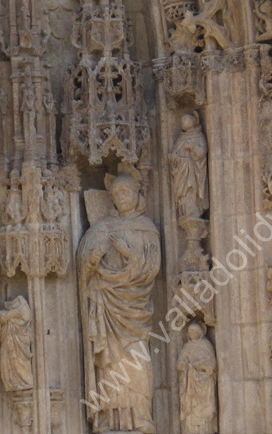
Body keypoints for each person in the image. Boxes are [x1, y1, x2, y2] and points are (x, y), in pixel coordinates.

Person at [78, 167, 161, 433]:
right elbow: (83, 268)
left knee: (138, 362)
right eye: (117, 192)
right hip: (107, 310)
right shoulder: (101, 228)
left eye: (127, 191)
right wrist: (94, 258)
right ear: (111, 197)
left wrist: (128, 255)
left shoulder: (147, 229)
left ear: (138, 194)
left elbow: (151, 269)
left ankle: (141, 418)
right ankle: (108, 420)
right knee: (108, 364)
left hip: (134, 312)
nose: (122, 196)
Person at [178, 322, 217, 434]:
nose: (192, 333)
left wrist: (200, 367)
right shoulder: (186, 347)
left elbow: (211, 365)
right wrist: (184, 366)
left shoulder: (206, 345)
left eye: (194, 331)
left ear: (201, 332)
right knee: (190, 413)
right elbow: (180, 363)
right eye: (190, 331)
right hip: (189, 385)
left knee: (204, 415)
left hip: (203, 386)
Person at [170, 112, 209, 220]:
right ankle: (185, 211)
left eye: (186, 120)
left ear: (193, 122)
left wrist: (192, 147)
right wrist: (174, 158)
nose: (183, 122)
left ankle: (194, 210)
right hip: (181, 171)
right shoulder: (180, 138)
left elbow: (202, 151)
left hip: (193, 170)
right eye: (182, 121)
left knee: (191, 188)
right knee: (184, 193)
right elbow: (174, 153)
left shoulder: (198, 136)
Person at [0, 296, 33, 392]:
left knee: (18, 361)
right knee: (7, 362)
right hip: (8, 344)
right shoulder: (8, 317)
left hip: (17, 346)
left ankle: (23, 381)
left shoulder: (19, 318)